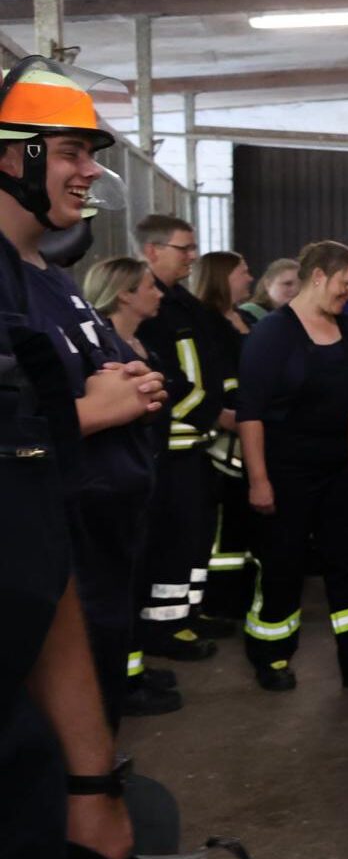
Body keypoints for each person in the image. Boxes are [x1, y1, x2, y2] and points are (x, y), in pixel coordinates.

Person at [0, 54, 140, 859]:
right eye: (69, 150)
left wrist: (90, 778)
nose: (90, 170)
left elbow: (30, 536)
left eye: (93, 152)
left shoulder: (31, 280)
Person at [238, 239, 348, 696]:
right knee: (282, 566)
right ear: (319, 277)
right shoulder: (272, 335)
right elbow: (249, 412)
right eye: (347, 285)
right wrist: (258, 480)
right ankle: (270, 654)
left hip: (342, 471)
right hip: (285, 471)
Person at [84, 256, 184, 715]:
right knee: (116, 587)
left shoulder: (137, 342)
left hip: (145, 472)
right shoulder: (103, 347)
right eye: (150, 286)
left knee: (137, 579)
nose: (159, 293)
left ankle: (134, 667)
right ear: (124, 293)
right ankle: (123, 682)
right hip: (114, 480)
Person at [135, 213, 232, 657]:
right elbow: (164, 380)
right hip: (170, 448)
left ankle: (189, 613)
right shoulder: (148, 308)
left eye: (194, 249)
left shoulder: (183, 304)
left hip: (195, 444)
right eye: (184, 248)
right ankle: (163, 629)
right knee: (172, 542)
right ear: (153, 251)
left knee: (195, 537)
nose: (192, 257)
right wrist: (203, 415)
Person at [193, 251, 259, 627]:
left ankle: (242, 594)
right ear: (221, 277)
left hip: (250, 431)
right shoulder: (205, 321)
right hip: (221, 438)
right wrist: (222, 415)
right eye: (243, 271)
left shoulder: (247, 317)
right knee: (223, 529)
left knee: (245, 522)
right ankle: (219, 601)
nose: (250, 277)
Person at [239, 257, 298, 322]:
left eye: (301, 285)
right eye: (287, 284)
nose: (296, 289)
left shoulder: (298, 316)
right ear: (268, 284)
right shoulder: (248, 312)